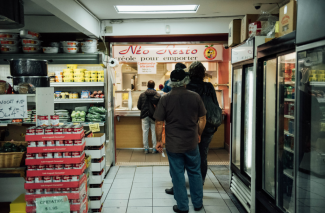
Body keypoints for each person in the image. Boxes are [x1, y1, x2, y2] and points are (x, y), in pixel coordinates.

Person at [154, 68, 207, 213]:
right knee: (195, 172)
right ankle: (197, 204)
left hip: (173, 144)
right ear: (186, 81)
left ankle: (183, 207)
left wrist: (159, 141)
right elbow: (202, 118)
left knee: (177, 174)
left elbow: (159, 122)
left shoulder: (165, 98)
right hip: (191, 142)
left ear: (171, 82)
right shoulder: (195, 96)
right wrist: (199, 133)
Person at [165, 61, 220, 196]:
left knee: (180, 156)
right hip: (207, 127)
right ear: (203, 74)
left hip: (187, 127)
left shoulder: (186, 86)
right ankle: (198, 186)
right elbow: (215, 105)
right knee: (202, 155)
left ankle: (177, 186)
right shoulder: (208, 86)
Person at [137, 80, 161, 154]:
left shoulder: (142, 95)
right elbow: (160, 107)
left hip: (144, 115)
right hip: (154, 116)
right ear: (154, 86)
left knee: (145, 131)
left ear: (147, 86)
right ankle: (154, 149)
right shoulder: (158, 95)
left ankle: (146, 149)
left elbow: (139, 106)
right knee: (154, 132)